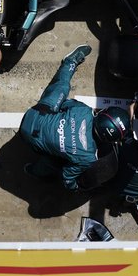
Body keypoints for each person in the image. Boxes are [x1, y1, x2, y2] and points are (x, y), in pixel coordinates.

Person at [18, 45, 129, 190]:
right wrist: (75, 187)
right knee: (54, 161)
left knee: (62, 87)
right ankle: (33, 171)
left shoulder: (84, 111)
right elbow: (67, 177)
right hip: (30, 139)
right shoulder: (88, 157)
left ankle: (70, 62)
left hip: (36, 114)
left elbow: (65, 104)